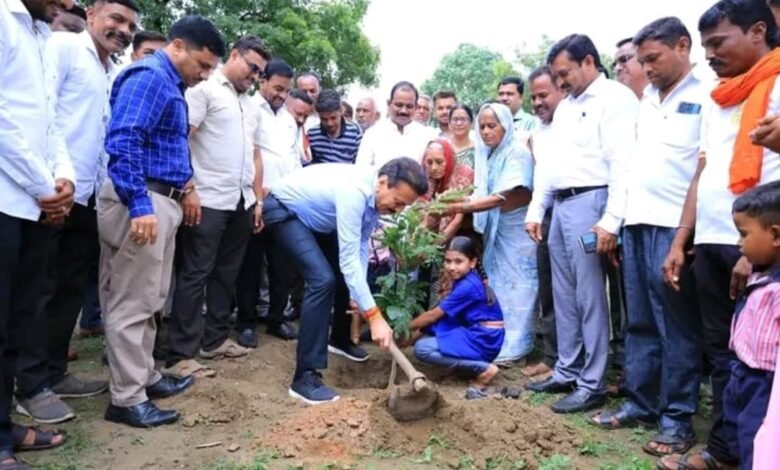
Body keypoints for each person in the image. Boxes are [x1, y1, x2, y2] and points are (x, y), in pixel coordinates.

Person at [659, 1, 780, 468]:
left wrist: (757, 255)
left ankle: (757, 453)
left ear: (757, 31)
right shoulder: (717, 97)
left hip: (759, 246)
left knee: (759, 360)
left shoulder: (777, 85)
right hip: (711, 238)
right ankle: (726, 450)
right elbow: (703, 171)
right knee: (723, 350)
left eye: (717, 42)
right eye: (705, 45)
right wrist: (681, 238)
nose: (708, 54)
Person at [14, 0, 139, 425]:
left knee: (68, 288)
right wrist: (50, 178)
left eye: (130, 25)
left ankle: (54, 373)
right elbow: (43, 113)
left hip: (87, 194)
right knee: (38, 290)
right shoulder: (65, 48)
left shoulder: (112, 71)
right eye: (116, 19)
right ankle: (29, 384)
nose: (123, 30)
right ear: (92, 15)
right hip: (50, 190)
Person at [589, 17, 707, 458]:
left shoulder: (707, 94)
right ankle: (642, 403)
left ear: (683, 46)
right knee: (638, 321)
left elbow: (703, 166)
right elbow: (629, 167)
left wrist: (684, 235)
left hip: (673, 225)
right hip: (636, 223)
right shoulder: (645, 102)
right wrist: (618, 223)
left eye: (653, 58)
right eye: (642, 60)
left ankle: (677, 419)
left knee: (674, 325)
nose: (646, 67)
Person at [99, 15, 225, 428]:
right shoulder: (149, 77)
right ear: (178, 46)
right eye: (202, 65)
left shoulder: (171, 83)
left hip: (161, 198)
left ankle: (145, 377)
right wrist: (139, 205)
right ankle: (127, 398)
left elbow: (166, 146)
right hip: (142, 199)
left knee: (151, 297)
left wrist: (185, 189)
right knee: (131, 301)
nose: (204, 75)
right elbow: (124, 140)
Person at [524, 34, 638, 414]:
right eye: (557, 76)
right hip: (560, 206)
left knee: (590, 296)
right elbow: (549, 164)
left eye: (565, 73)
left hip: (592, 204)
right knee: (564, 294)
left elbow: (622, 163)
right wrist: (536, 210)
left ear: (588, 61)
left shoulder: (615, 99)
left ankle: (593, 383)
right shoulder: (568, 106)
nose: (560, 82)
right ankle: (567, 369)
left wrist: (611, 221)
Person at [262, 157, 427, 404]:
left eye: (404, 206)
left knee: (345, 277)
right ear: (383, 182)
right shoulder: (355, 193)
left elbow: (361, 245)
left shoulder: (375, 199)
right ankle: (304, 378)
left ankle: (339, 339)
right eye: (398, 202)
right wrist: (374, 317)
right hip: (284, 210)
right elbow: (350, 260)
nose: (398, 210)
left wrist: (357, 293)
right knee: (322, 280)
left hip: (316, 220)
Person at [162, 35, 270, 380]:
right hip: (206, 199)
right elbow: (182, 138)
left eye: (260, 72)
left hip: (241, 201)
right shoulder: (204, 90)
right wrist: (188, 188)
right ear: (234, 55)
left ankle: (215, 339)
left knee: (226, 274)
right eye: (252, 67)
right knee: (196, 273)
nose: (255, 76)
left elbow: (255, 155)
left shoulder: (251, 105)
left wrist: (257, 200)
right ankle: (181, 354)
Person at [1, 0, 76, 465]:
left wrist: (63, 175)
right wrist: (44, 185)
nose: (67, 3)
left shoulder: (41, 35)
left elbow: (50, 122)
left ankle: (4, 426)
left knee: (18, 321)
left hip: (33, 202)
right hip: (8, 198)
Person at [442, 103, 538, 364]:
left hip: (518, 234)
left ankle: (517, 345)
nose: (485, 131)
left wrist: (460, 207)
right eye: (482, 126)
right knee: (498, 286)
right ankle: (496, 340)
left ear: (505, 126)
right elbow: (481, 193)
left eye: (491, 125)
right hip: (497, 232)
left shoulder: (516, 153)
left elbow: (499, 198)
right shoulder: (489, 155)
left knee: (519, 288)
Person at [234, 59, 300, 349]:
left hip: (285, 201)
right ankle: (247, 322)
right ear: (262, 81)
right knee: (250, 264)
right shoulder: (249, 109)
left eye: (286, 90)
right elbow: (249, 156)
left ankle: (276, 318)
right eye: (277, 88)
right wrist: (257, 197)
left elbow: (293, 158)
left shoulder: (288, 119)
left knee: (282, 265)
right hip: (255, 198)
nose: (282, 95)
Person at [720, 182, 780, 470]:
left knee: (758, 445)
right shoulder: (759, 274)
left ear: (775, 234)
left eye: (744, 234)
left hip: (765, 383)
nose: (738, 243)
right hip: (742, 372)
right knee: (741, 438)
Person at [407, 236, 504, 399]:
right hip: (480, 333)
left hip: (483, 340)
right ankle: (470, 363)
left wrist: (401, 328)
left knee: (422, 349)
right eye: (448, 261)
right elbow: (437, 318)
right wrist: (411, 336)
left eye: (458, 262)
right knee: (438, 326)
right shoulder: (466, 279)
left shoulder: (467, 286)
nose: (451, 267)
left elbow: (432, 316)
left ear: (472, 262)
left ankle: (484, 369)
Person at [520, 65, 565, 380]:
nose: (537, 103)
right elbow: (541, 177)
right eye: (533, 97)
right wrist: (536, 214)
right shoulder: (536, 133)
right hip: (545, 214)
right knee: (548, 287)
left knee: (576, 292)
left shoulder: (574, 125)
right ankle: (553, 356)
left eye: (543, 95)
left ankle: (579, 361)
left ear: (561, 90)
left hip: (575, 208)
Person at [356, 81, 437, 167]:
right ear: (389, 103)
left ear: (415, 107)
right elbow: (362, 170)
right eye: (399, 105)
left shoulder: (427, 136)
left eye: (409, 106)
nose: (403, 111)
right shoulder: (373, 134)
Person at [420, 139, 474, 241]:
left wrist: (436, 245)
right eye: (429, 162)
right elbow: (419, 210)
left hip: (461, 234)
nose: (434, 167)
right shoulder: (427, 177)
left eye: (439, 162)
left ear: (449, 159)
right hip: (433, 233)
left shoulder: (463, 175)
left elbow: (457, 221)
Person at [309, 90, 363, 164]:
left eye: (333, 118)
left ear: (341, 111)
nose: (329, 123)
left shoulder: (355, 132)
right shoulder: (312, 134)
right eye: (324, 119)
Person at [497, 76, 538, 144]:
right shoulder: (491, 123)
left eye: (509, 94)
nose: (504, 98)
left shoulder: (532, 123)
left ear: (521, 98)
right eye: (501, 94)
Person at [448, 103, 476, 169]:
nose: (459, 123)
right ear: (449, 123)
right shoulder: (442, 148)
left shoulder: (478, 150)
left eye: (463, 119)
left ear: (472, 123)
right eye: (455, 119)